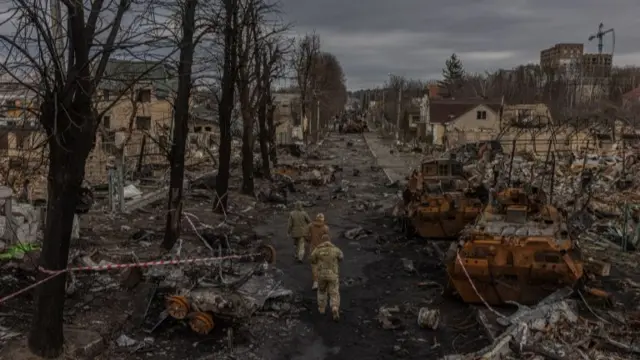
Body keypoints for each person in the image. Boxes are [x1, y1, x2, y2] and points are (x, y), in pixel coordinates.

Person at [310, 234, 343, 321]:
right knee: (334, 292)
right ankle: (335, 307)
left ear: (322, 241)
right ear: (329, 240)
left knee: (321, 291)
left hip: (321, 275)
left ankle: (321, 308)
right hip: (333, 274)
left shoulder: (317, 249)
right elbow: (341, 257)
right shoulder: (335, 249)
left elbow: (312, 259)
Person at [307, 213, 330, 290]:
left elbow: (307, 235)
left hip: (313, 249)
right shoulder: (326, 228)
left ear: (316, 218)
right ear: (323, 219)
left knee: (314, 266)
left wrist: (310, 240)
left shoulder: (310, 226)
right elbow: (328, 239)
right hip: (322, 249)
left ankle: (315, 282)